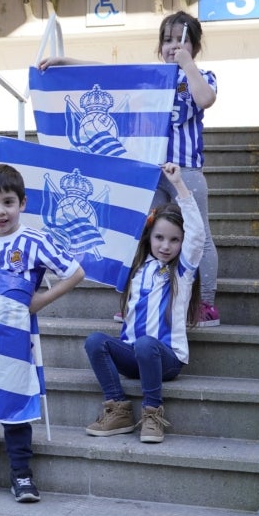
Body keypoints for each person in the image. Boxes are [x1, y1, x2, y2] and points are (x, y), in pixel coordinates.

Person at [39, 10, 220, 326]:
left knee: (197, 234)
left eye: (181, 41)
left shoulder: (202, 75)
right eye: (167, 40)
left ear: (195, 47)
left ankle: (204, 305)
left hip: (186, 171)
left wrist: (187, 65)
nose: (172, 47)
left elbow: (205, 99)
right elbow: (110, 75)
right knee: (145, 235)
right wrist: (65, 62)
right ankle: (140, 299)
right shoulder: (147, 76)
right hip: (147, 173)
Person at [0, 163, 85, 503]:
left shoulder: (34, 241)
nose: (1, 211)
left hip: (16, 342)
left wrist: (39, 301)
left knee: (15, 405)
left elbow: (75, 272)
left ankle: (21, 474)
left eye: (8, 202)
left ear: (22, 203)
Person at [83, 163, 203, 444]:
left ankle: (152, 413)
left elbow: (197, 234)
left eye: (174, 240)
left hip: (166, 358)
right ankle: (118, 409)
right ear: (148, 236)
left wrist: (179, 185)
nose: (165, 246)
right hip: (133, 355)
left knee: (147, 343)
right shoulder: (136, 266)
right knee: (95, 341)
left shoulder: (182, 271)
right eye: (159, 237)